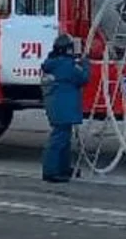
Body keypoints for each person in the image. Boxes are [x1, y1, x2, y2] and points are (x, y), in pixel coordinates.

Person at [38, 35, 89, 184]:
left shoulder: (53, 63)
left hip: (57, 106)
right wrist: (86, 64)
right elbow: (83, 78)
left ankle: (63, 168)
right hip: (63, 107)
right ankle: (51, 172)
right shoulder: (66, 65)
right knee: (59, 139)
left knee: (64, 138)